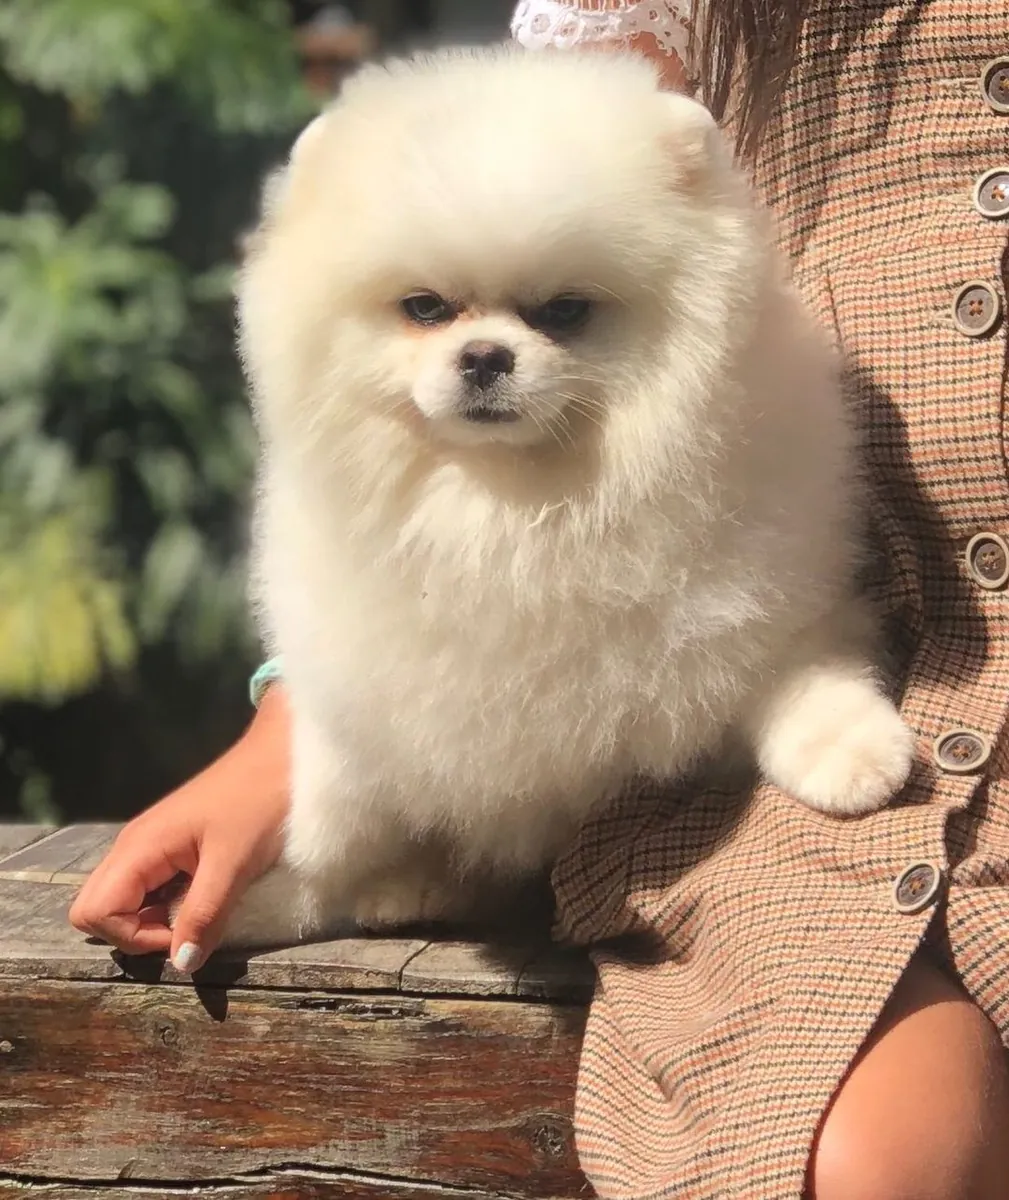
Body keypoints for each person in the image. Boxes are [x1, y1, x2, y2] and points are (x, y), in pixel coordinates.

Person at [70, 1, 1009, 1196]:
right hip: (765, 811)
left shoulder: (754, 425)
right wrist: (310, 725)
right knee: (876, 1146)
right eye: (428, 309)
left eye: (559, 313)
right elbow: (379, 554)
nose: (484, 350)